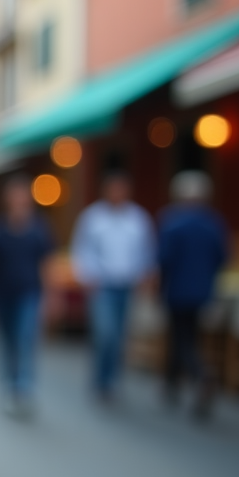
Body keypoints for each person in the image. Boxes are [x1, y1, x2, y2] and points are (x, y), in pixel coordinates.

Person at [70, 170, 156, 402]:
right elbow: (82, 250)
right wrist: (88, 276)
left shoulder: (138, 218)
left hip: (127, 284)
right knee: (105, 333)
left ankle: (111, 381)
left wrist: (144, 276)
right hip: (102, 285)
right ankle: (100, 379)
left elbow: (145, 252)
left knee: (120, 336)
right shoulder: (93, 217)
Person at [158, 170, 229, 419]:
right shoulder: (213, 222)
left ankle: (200, 375)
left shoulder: (172, 221)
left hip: (177, 290)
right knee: (188, 336)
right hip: (203, 291)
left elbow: (164, 258)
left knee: (181, 337)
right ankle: (171, 384)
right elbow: (223, 257)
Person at [0, 175, 55, 417]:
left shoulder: (39, 228)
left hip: (29, 292)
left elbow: (46, 264)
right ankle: (8, 386)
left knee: (25, 339)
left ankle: (24, 388)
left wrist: (51, 296)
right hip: (2, 293)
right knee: (7, 341)